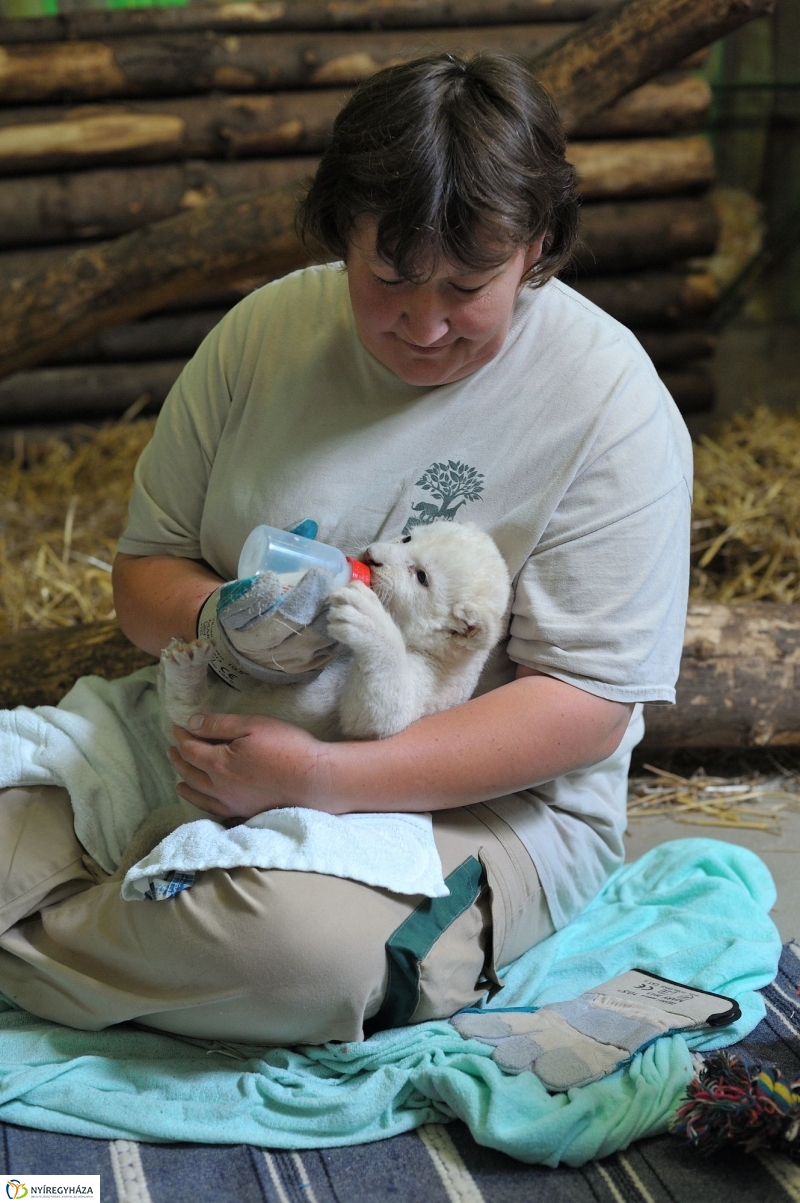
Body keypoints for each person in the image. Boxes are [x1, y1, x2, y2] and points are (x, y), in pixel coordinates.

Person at [0, 52, 692, 1045]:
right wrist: (218, 618)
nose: (423, 323)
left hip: (471, 807)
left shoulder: (609, 407)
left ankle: (90, 939)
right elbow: (145, 574)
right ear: (341, 235)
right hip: (209, 737)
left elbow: (581, 711)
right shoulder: (261, 334)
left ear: (536, 247)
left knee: (290, 953)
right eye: (387, 278)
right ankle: (132, 945)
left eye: (468, 286)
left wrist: (318, 781)